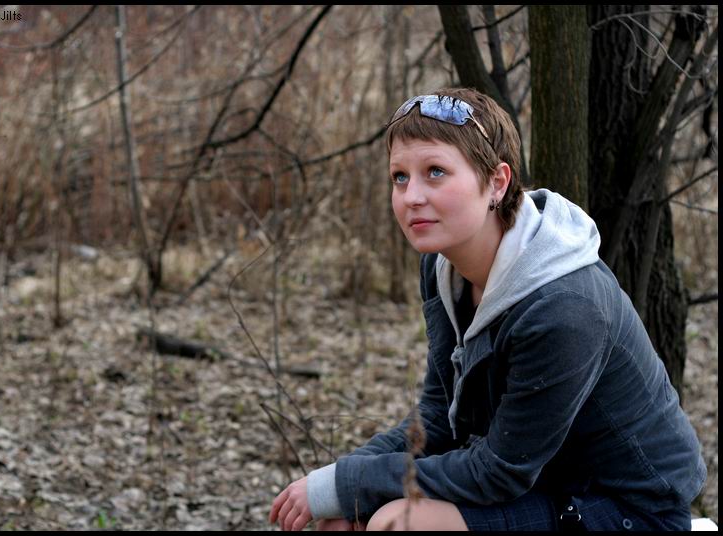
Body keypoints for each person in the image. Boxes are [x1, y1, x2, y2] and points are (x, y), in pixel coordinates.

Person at [268, 87, 706, 531]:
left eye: (435, 172)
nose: (411, 196)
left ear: (497, 182)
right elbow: (440, 417)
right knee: (343, 520)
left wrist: (350, 481)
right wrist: (341, 481)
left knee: (395, 525)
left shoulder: (563, 304)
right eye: (400, 177)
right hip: (542, 481)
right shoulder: (442, 268)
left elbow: (499, 471)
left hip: (628, 508)